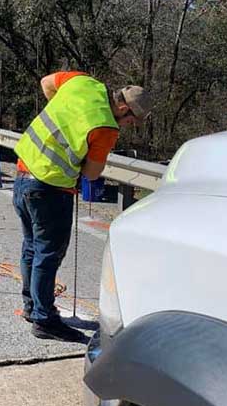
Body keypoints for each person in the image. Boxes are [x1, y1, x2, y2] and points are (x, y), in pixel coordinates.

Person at [13, 71, 152, 342]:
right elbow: (91, 173)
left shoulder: (84, 83)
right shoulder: (105, 127)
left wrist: (65, 120)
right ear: (123, 108)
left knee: (31, 247)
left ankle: (32, 306)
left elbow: (46, 83)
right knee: (48, 254)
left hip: (22, 174)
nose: (128, 126)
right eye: (131, 120)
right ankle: (44, 319)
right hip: (51, 189)